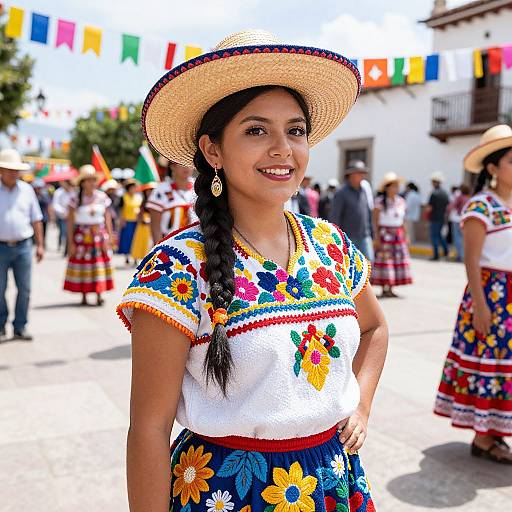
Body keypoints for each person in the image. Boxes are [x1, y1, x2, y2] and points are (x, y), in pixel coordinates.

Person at [117, 30, 388, 512]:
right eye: (257, 130)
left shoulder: (332, 246)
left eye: (297, 130)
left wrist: (361, 404)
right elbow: (149, 429)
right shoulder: (176, 267)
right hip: (225, 493)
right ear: (213, 150)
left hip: (333, 485)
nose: (284, 148)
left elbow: (375, 327)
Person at [434, 124, 512, 463]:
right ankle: (483, 438)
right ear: (493, 168)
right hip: (491, 294)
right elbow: (472, 261)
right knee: (489, 363)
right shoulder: (481, 207)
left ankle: (495, 430)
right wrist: (480, 306)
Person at [0, 149, 44, 342]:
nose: (14, 173)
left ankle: (20, 325)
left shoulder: (26, 190)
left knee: (24, 289)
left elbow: (36, 219)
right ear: (1, 170)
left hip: (23, 246)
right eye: (10, 170)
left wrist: (40, 245)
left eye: (16, 170)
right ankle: (1, 325)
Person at [64, 165, 114, 306]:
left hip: (98, 236)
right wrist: (71, 243)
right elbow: (70, 223)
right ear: (82, 182)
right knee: (84, 265)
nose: (92, 183)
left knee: (98, 264)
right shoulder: (75, 199)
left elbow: (107, 217)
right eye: (88, 180)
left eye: (93, 180)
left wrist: (110, 237)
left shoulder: (102, 197)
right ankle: (84, 295)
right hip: (82, 237)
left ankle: (99, 293)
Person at [371, 172, 412, 298]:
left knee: (396, 261)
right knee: (385, 261)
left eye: (396, 186)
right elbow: (375, 221)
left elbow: (403, 220)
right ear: (386, 188)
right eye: (393, 186)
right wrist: (376, 237)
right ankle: (385, 287)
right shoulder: (379, 203)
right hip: (385, 234)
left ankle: (392, 287)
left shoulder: (401, 202)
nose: (395, 189)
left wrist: (406, 234)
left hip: (397, 234)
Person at [330, 160, 374, 261]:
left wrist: (372, 233)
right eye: (359, 173)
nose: (362, 176)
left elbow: (367, 213)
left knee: (369, 262)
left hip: (364, 235)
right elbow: (335, 217)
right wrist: (337, 238)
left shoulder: (364, 191)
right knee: (351, 265)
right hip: (348, 237)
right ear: (350, 174)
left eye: (362, 173)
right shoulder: (341, 193)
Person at [147, 161, 196, 243]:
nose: (186, 167)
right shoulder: (161, 190)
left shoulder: (199, 189)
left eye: (189, 164)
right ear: (172, 166)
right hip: (169, 245)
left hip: (195, 245)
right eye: (181, 163)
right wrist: (159, 248)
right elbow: (155, 226)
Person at [130, 182, 157, 265]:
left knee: (149, 243)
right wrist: (143, 220)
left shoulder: (156, 201)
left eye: (151, 190)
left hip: (151, 225)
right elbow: (140, 214)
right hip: (143, 225)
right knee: (140, 242)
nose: (150, 192)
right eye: (148, 191)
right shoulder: (143, 202)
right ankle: (136, 257)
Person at [426, 172, 449, 261]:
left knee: (434, 236)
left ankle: (436, 255)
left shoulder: (434, 193)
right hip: (442, 217)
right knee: (439, 236)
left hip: (434, 218)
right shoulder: (445, 193)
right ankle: (446, 251)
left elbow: (429, 208)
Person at [118, 179, 142, 265]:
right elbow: (121, 210)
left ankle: (135, 257)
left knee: (136, 240)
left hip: (136, 222)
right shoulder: (123, 197)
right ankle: (127, 256)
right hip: (127, 221)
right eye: (132, 187)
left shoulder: (139, 197)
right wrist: (121, 221)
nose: (134, 189)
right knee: (127, 240)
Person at [447, 183, 471, 262]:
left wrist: (448, 212)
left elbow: (452, 206)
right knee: (463, 239)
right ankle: (463, 255)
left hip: (458, 219)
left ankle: (460, 256)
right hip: (466, 219)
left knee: (457, 238)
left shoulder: (460, 197)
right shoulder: (470, 198)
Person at [52, 179, 75, 255]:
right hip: (63, 216)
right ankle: (64, 247)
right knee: (64, 232)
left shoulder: (73, 192)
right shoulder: (58, 192)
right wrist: (63, 212)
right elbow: (55, 205)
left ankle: (68, 249)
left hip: (72, 216)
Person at [32, 178, 52, 248]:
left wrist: (51, 216)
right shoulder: (32, 195)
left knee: (44, 231)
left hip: (44, 217)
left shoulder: (44, 195)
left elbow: (48, 206)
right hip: (34, 218)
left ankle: (43, 243)